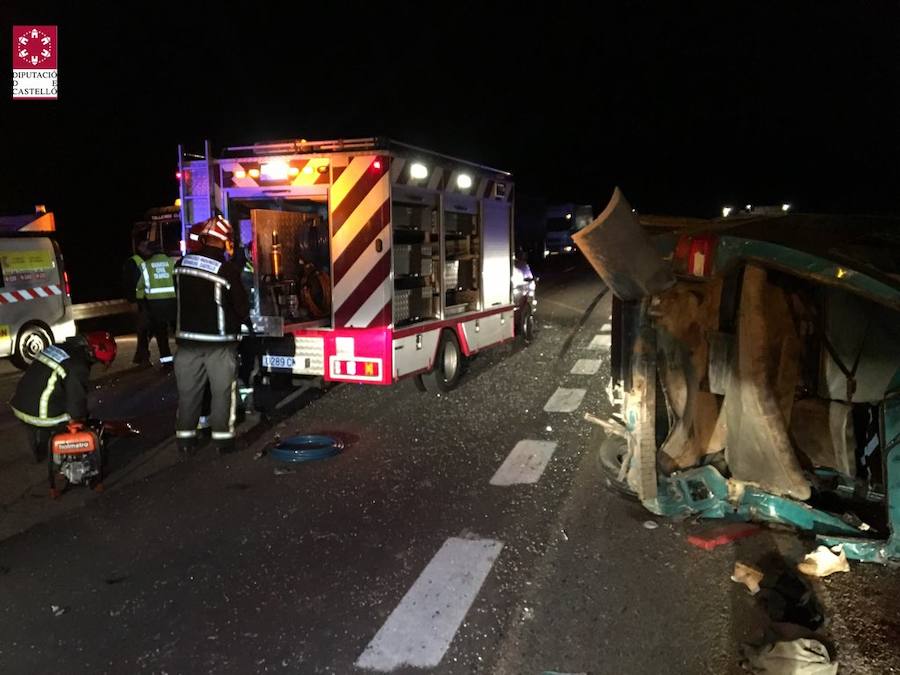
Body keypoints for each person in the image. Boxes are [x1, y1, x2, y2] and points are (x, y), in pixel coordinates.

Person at [173, 215, 250, 456]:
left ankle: (185, 441)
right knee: (222, 394)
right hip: (219, 344)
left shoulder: (181, 265)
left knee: (188, 394)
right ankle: (223, 442)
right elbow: (241, 307)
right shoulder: (226, 269)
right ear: (224, 242)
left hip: (187, 343)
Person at [9, 332, 117, 463]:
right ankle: (57, 453)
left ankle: (40, 446)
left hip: (20, 404)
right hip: (39, 415)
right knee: (77, 419)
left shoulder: (59, 348)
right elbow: (76, 401)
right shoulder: (78, 366)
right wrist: (81, 420)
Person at [139, 241, 176, 368]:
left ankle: (167, 362)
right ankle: (185, 358)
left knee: (161, 334)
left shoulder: (145, 265)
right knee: (178, 332)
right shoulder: (171, 263)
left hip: (155, 305)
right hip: (173, 303)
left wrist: (140, 302)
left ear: (150, 251)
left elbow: (140, 287)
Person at [122, 242, 152, 365]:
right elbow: (129, 283)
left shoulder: (145, 261)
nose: (149, 249)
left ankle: (140, 356)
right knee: (143, 330)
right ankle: (143, 358)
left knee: (146, 330)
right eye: (146, 247)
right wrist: (133, 301)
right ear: (139, 248)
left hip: (147, 300)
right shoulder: (134, 262)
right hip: (140, 301)